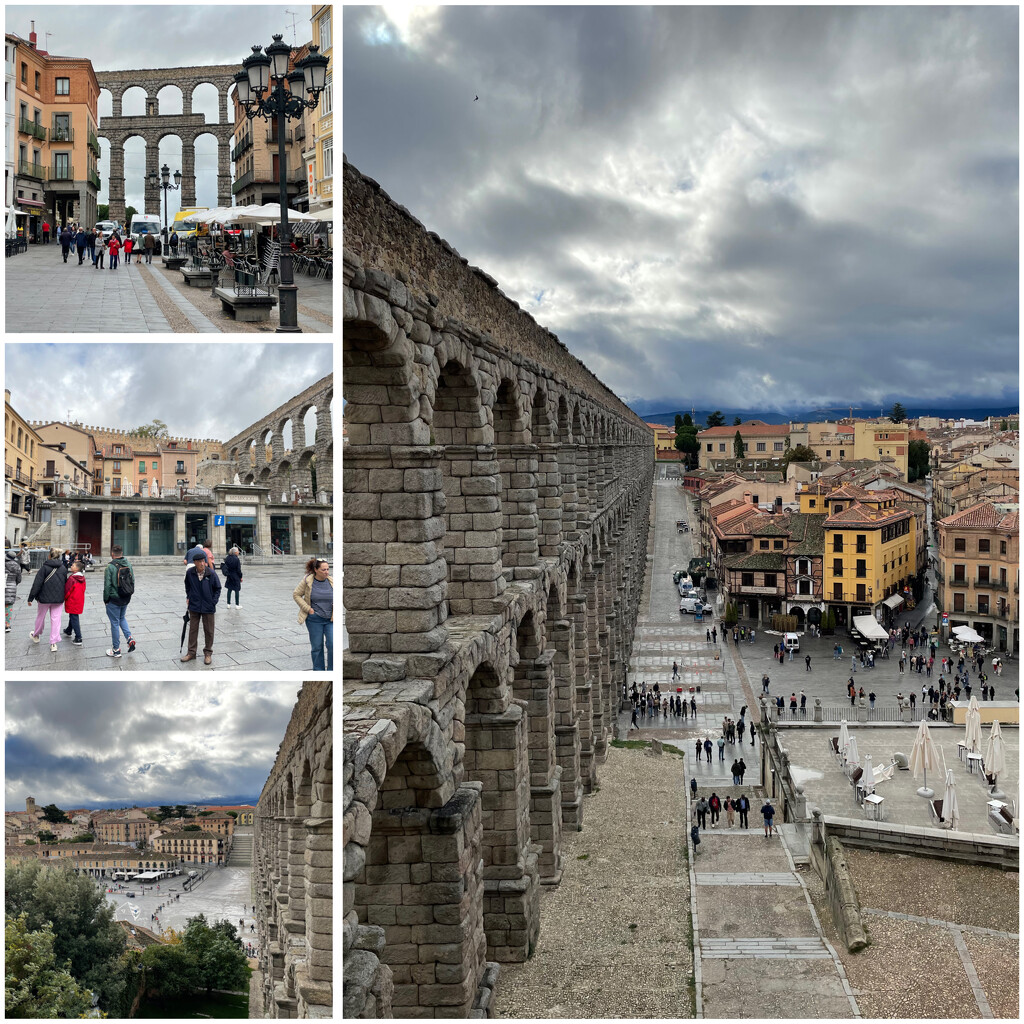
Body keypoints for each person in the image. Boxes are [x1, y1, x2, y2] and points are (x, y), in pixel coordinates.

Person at [293, 557, 334, 671]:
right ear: (316, 570)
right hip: (314, 619)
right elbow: (296, 594)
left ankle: (332, 671)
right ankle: (318, 671)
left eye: (328, 569)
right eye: (323, 570)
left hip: (330, 620)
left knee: (332, 645)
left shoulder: (332, 581)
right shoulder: (307, 580)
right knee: (317, 647)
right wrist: (308, 609)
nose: (327, 572)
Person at [183, 551, 221, 665]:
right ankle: (191, 652)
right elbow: (187, 585)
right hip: (194, 606)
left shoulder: (211, 573)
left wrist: (213, 602)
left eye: (203, 561)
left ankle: (208, 653)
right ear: (194, 562)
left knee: (209, 630)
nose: (202, 563)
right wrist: (189, 596)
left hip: (208, 606)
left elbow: (218, 588)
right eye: (199, 561)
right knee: (193, 630)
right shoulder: (190, 572)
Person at [27, 547, 68, 651]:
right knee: (56, 619)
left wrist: (31, 598)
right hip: (58, 599)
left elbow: (37, 584)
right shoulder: (63, 568)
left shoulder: (44, 568)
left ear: (49, 555)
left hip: (44, 598)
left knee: (40, 617)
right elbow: (65, 584)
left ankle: (36, 635)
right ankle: (53, 643)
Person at [103, 543, 136, 658]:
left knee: (115, 623)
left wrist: (106, 599)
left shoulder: (110, 567)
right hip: (126, 597)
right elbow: (133, 581)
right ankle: (129, 638)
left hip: (114, 599)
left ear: (112, 554)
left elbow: (107, 586)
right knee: (122, 618)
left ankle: (116, 649)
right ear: (121, 553)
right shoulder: (128, 564)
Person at [62, 560, 86, 646]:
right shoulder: (82, 578)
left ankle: (78, 637)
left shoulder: (72, 578)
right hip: (79, 600)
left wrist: (63, 598)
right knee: (73, 615)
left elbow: (67, 591)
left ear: (76, 569)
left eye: (73, 565)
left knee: (74, 617)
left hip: (72, 600)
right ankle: (69, 630)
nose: (71, 566)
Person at [6, 546, 23, 632]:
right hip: (12, 587)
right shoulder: (17, 566)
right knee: (8, 606)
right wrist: (13, 584)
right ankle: (7, 625)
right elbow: (19, 579)